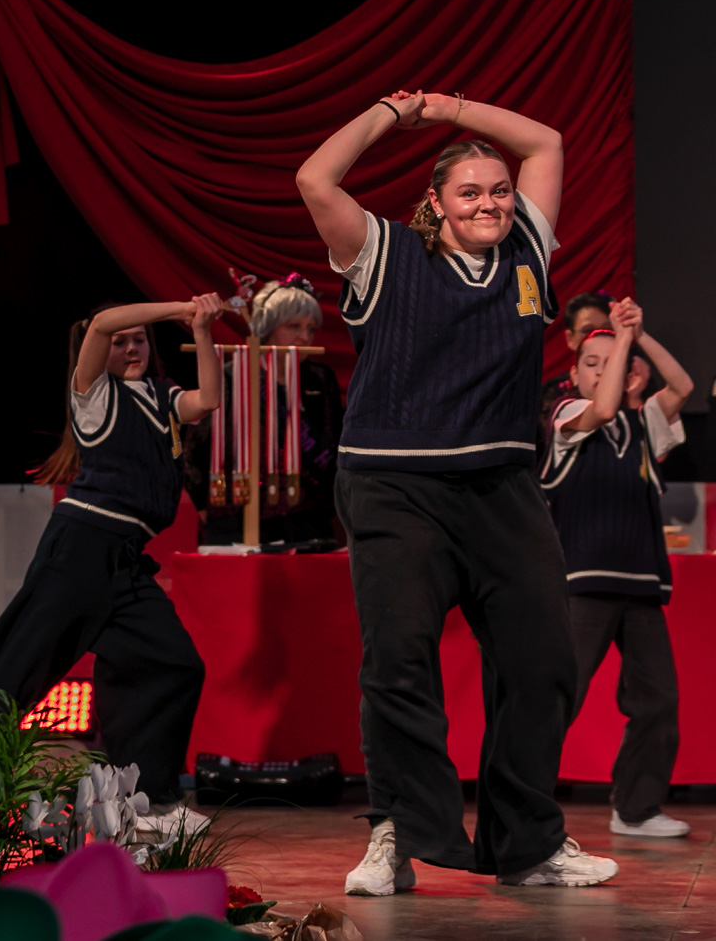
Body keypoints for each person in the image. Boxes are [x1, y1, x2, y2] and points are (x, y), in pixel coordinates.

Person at [296, 89, 617, 893]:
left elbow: (546, 140)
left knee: (544, 661)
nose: (490, 203)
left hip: (501, 486)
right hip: (394, 484)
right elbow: (315, 179)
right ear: (435, 203)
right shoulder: (384, 251)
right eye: (470, 192)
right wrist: (394, 112)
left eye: (499, 190)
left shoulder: (527, 251)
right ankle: (396, 833)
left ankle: (528, 842)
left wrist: (450, 108)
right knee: (399, 661)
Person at [0, 295, 224, 836]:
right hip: (82, 547)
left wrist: (200, 328)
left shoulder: (162, 396)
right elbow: (102, 322)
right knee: (19, 668)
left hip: (126, 558)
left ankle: (145, 803)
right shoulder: (95, 395)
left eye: (140, 340)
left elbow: (210, 399)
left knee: (173, 664)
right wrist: (177, 306)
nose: (131, 348)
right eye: (122, 342)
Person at [541, 301, 695, 838]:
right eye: (591, 363)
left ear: (630, 374)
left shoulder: (645, 423)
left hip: (642, 583)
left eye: (612, 364)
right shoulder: (566, 415)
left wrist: (640, 334)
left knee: (658, 700)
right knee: (559, 699)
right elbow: (603, 410)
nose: (600, 372)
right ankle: (521, 807)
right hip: (583, 584)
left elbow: (682, 387)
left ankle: (636, 809)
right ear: (573, 372)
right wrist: (622, 343)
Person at [183, 274, 344, 546]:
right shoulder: (231, 376)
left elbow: (335, 443)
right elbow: (194, 449)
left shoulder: (320, 378)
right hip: (237, 518)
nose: (305, 337)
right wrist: (203, 502)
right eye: (294, 326)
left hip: (309, 519)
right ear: (268, 328)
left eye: (311, 329)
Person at [537, 290, 613, 448]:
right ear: (570, 338)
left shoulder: (636, 380)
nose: (597, 336)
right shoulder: (555, 394)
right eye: (587, 330)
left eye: (607, 329)